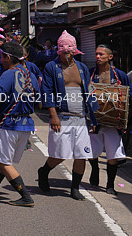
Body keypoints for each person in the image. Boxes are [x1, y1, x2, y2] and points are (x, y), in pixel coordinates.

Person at [38, 30, 98, 200]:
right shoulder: (52, 67)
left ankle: (75, 188)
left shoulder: (82, 67)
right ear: (59, 50)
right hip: (62, 115)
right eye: (63, 50)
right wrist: (53, 115)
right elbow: (47, 91)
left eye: (70, 50)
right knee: (60, 154)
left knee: (82, 154)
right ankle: (44, 172)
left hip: (80, 117)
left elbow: (89, 90)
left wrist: (93, 117)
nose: (67, 53)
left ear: (75, 50)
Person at [0, 41, 39, 206]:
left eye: (1, 55)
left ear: (6, 57)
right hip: (26, 123)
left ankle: (26, 196)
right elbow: (37, 97)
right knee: (3, 159)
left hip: (10, 124)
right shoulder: (30, 74)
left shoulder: (8, 74)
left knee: (5, 163)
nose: (0, 58)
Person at [87, 44, 132, 195]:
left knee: (113, 155)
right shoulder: (90, 74)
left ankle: (110, 185)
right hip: (94, 120)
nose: (98, 57)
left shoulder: (120, 75)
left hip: (114, 121)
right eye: (96, 54)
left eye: (101, 54)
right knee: (92, 152)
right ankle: (95, 169)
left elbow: (131, 93)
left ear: (110, 57)